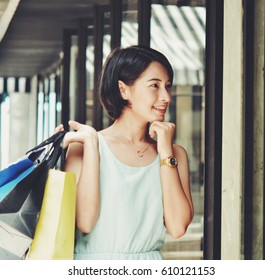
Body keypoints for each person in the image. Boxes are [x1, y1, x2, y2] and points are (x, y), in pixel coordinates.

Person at [57, 45, 193, 260]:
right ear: (123, 90)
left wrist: (165, 150)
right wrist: (92, 145)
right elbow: (85, 221)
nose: (166, 96)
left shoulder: (175, 154)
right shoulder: (84, 147)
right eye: (154, 86)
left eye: (167, 86)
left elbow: (177, 227)